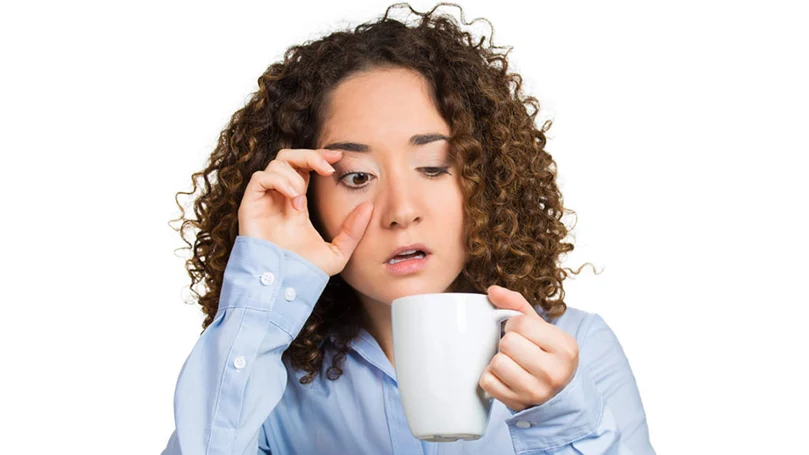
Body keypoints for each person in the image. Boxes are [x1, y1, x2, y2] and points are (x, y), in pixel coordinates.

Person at [163, 3, 655, 454]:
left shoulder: (575, 349)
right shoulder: (262, 372)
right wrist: (266, 283)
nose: (401, 211)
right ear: (312, 200)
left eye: (435, 166)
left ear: (485, 179)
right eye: (357, 177)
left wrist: (560, 418)